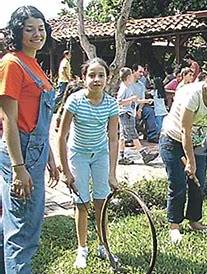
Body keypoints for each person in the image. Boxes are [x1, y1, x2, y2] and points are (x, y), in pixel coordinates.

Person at [0, 6, 60, 272]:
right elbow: (8, 120)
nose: (37, 34)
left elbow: (40, 121)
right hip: (19, 153)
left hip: (35, 151)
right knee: (23, 232)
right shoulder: (12, 64)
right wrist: (18, 168)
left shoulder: (34, 63)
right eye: (29, 29)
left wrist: (50, 156)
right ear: (18, 32)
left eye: (41, 28)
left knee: (17, 225)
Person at [159, 63, 207, 244]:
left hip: (197, 143)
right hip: (173, 139)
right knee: (178, 183)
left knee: (198, 182)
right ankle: (174, 225)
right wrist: (190, 162)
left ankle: (194, 220)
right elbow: (185, 130)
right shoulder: (193, 96)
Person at [57, 58, 119, 269]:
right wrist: (65, 170)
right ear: (83, 78)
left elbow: (113, 138)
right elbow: (62, 136)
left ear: (107, 78)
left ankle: (104, 246)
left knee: (101, 202)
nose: (96, 79)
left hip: (100, 154)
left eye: (101, 75)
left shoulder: (111, 103)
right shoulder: (74, 100)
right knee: (81, 204)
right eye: (91, 75)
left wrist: (112, 173)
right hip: (78, 155)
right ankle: (82, 249)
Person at [116, 67, 158, 165]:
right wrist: (131, 99)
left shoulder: (128, 87)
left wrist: (146, 101)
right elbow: (119, 101)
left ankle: (121, 156)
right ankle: (144, 155)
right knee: (133, 134)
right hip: (125, 113)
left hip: (128, 112)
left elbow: (135, 100)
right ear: (128, 77)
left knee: (123, 136)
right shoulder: (124, 88)